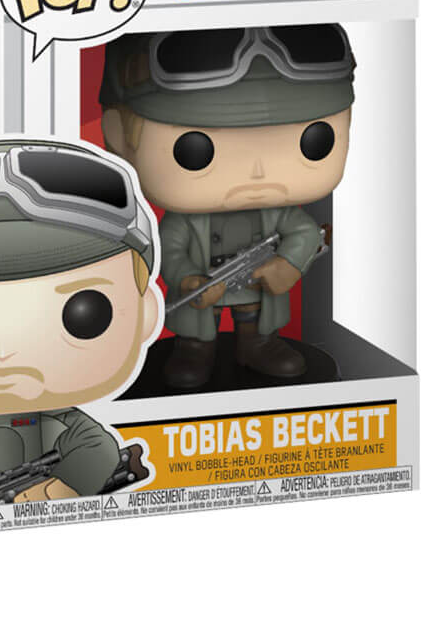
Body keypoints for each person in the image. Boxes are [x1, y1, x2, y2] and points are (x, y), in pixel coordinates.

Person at [99, 25, 355, 388]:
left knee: (256, 321)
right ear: (118, 135)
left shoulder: (277, 213)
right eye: (195, 150)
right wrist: (189, 279)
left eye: (313, 142)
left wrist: (289, 264)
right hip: (206, 293)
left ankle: (258, 345)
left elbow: (306, 233)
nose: (257, 172)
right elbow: (169, 249)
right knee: (197, 334)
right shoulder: (186, 221)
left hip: (257, 290)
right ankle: (195, 348)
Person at [0, 139, 160, 501]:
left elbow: (99, 449)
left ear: (147, 314)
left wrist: (58, 490)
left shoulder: (60, 425)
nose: (2, 351)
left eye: (85, 314)